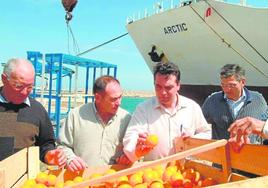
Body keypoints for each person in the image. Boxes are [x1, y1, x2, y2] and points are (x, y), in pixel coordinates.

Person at [122, 62, 211, 163]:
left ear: (178, 86)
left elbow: (206, 132)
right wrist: (136, 147)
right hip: (154, 174)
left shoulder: (192, 107)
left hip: (185, 173)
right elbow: (131, 136)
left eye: (168, 88)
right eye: (158, 87)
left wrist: (192, 140)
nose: (162, 92)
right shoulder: (143, 109)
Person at [0, 58, 66, 167]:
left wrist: (49, 155)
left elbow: (46, 143)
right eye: (19, 86)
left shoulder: (37, 110)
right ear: (4, 79)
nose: (24, 92)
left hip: (25, 181)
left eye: (30, 87)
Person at [58, 75, 131, 172]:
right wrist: (70, 159)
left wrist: (128, 157)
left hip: (115, 181)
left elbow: (132, 150)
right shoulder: (75, 116)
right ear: (98, 97)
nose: (119, 103)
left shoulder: (126, 119)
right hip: (81, 180)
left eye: (120, 97)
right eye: (113, 99)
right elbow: (62, 146)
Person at [202, 64, 267, 144]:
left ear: (242, 82)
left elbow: (265, 125)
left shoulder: (258, 99)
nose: (227, 90)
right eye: (223, 85)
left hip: (251, 152)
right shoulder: (212, 100)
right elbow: (200, 126)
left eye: (232, 85)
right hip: (222, 153)